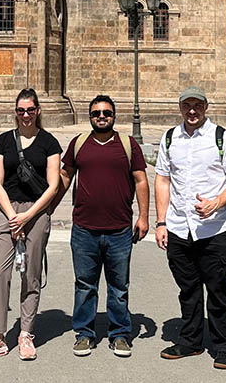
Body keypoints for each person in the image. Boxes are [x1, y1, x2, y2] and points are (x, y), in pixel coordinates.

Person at [154, 87, 226, 369]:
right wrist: (161, 222)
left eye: (197, 105)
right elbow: (162, 179)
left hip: (214, 228)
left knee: (218, 289)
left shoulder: (222, 138)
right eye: (187, 106)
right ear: (180, 107)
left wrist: (217, 202)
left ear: (206, 107)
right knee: (188, 289)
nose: (192, 111)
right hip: (179, 227)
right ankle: (191, 341)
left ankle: (222, 346)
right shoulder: (170, 138)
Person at [0, 89, 61, 362]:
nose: (25, 115)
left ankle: (25, 333)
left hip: (36, 212)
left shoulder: (49, 142)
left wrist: (28, 216)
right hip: (5, 211)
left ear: (38, 110)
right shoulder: (3, 141)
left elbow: (53, 185)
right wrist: (13, 216)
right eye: (21, 110)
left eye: (30, 110)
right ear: (15, 111)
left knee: (31, 275)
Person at [54, 95, 149, 358]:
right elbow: (65, 176)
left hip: (119, 229)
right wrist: (47, 209)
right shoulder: (79, 143)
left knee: (119, 287)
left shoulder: (128, 145)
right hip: (84, 229)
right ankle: (84, 334)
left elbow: (140, 180)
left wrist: (143, 217)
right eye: (96, 113)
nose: (102, 116)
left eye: (106, 112)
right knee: (85, 285)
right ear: (90, 116)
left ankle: (119, 334)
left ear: (114, 115)